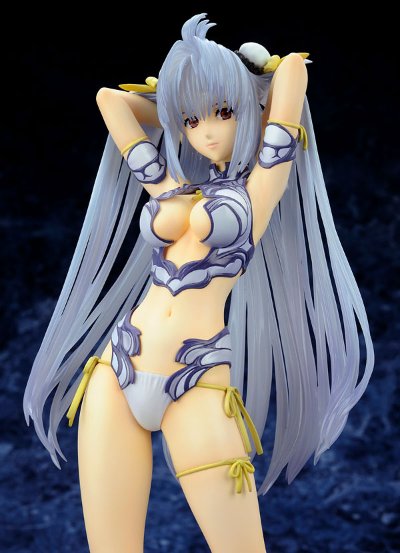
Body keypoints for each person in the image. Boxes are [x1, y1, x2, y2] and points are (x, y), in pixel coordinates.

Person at [23, 12, 375, 553]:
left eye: (223, 113)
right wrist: (178, 99)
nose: (206, 131)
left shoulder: (261, 188)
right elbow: (110, 101)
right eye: (191, 121)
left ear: (248, 110)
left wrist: (247, 80)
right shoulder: (169, 185)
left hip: (197, 375)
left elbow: (292, 75)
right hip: (118, 364)